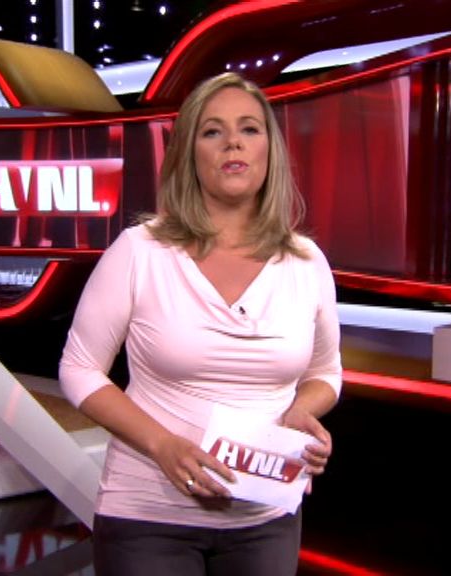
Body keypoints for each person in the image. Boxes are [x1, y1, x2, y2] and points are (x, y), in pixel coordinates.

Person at [59, 72, 342, 576]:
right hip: (148, 516)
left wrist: (302, 411)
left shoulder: (306, 262)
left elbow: (326, 372)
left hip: (265, 518)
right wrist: (162, 445)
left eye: (250, 128)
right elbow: (79, 370)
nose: (234, 142)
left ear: (270, 151)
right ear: (190, 153)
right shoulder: (140, 251)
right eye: (213, 131)